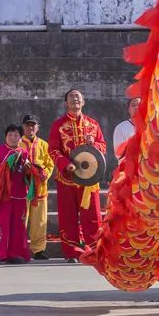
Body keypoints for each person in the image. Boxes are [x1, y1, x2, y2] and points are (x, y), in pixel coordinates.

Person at [48, 89, 107, 262]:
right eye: (71, 97)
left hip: (90, 179)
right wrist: (66, 164)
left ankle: (96, 249)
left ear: (83, 102)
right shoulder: (58, 125)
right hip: (67, 178)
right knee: (68, 216)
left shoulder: (93, 124)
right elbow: (53, 149)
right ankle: (71, 251)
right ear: (66, 103)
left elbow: (103, 146)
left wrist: (94, 144)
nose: (75, 99)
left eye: (78, 97)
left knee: (94, 216)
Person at [0, 124, 32, 265]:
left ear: (20, 138)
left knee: (18, 225)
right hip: (4, 194)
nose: (13, 138)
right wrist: (7, 165)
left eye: (16, 135)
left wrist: (28, 169)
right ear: (5, 137)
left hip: (19, 195)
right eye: (10, 135)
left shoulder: (24, 153)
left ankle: (16, 253)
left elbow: (28, 176)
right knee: (1, 224)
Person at [20, 114, 55, 260]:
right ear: (23, 127)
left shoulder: (44, 145)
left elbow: (50, 163)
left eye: (33, 125)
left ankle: (38, 249)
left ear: (38, 127)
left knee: (39, 221)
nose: (30, 127)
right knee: (22, 219)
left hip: (40, 187)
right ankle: (19, 248)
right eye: (27, 125)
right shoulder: (18, 143)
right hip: (23, 188)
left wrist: (45, 173)